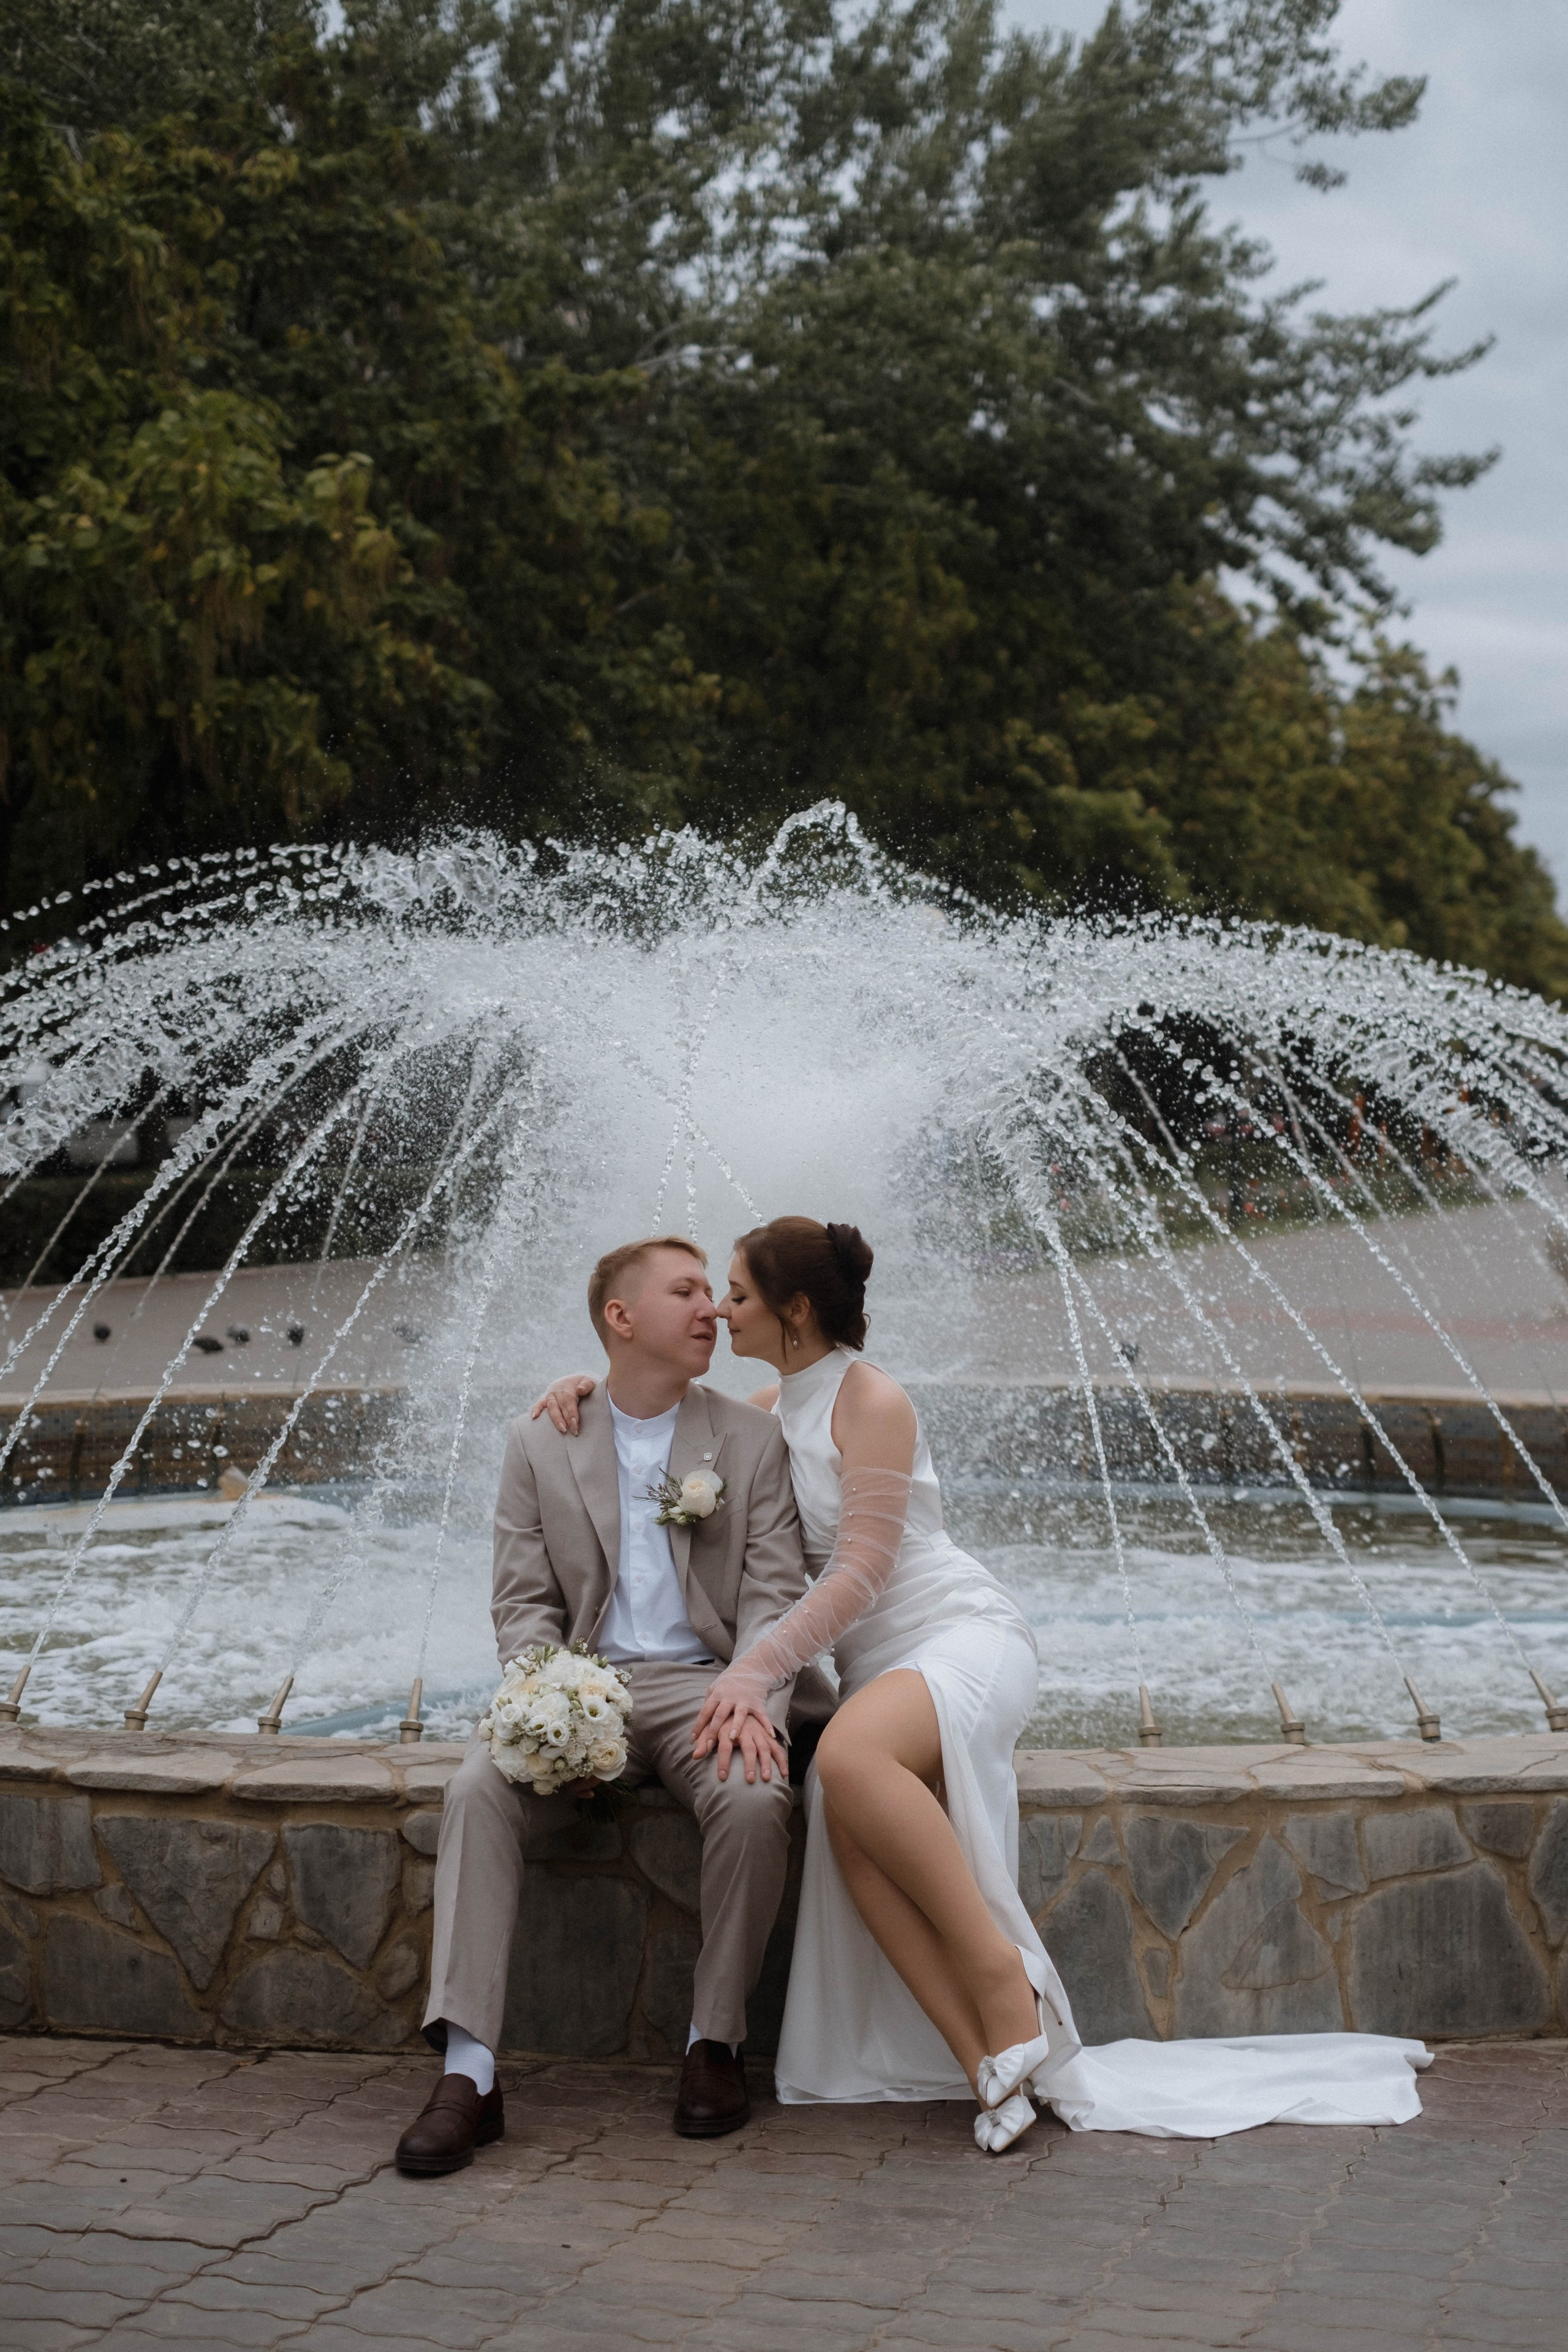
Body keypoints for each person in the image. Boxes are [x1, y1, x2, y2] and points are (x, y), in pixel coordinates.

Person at [535, 1216, 1431, 2152]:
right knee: (849, 1829)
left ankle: (1010, 1987)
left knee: (844, 1759)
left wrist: (759, 1668)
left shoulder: (870, 1398)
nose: (721, 1308)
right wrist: (588, 1386)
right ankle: (988, 2070)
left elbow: (863, 1572)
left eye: (741, 1294)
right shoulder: (767, 1407)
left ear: (796, 1309)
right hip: (881, 1667)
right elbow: (664, 1423)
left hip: (959, 1637)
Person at [395, 1233, 828, 2177]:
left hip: (709, 1685)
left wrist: (753, 1689)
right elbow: (521, 1603)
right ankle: (469, 2074)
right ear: (619, 1319)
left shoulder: (750, 1440)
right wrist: (552, 1702)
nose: (711, 1307)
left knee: (757, 1799)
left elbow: (773, 1591)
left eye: (715, 1291)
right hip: (584, 1682)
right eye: (686, 1291)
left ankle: (712, 2043)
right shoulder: (540, 1437)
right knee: (476, 1789)